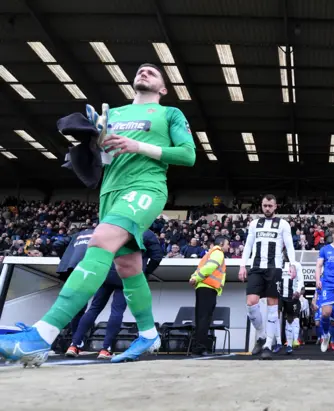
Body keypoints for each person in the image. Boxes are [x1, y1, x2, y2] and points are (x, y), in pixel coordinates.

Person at [0, 63, 197, 367]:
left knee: (100, 243)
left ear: (163, 88)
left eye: (152, 72)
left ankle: (42, 335)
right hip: (110, 192)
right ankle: (148, 334)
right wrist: (94, 143)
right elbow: (105, 157)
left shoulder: (170, 114)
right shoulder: (113, 114)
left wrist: (136, 145)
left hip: (146, 187)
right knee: (128, 266)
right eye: (140, 71)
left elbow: (188, 155)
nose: (144, 73)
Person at [66, 229, 163, 359]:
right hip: (129, 276)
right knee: (117, 311)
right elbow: (157, 256)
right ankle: (105, 349)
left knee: (94, 309)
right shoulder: (147, 233)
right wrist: (145, 272)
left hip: (108, 272)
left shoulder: (119, 227)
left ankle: (74, 344)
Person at [239, 194, 297, 360]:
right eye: (265, 206)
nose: (267, 209)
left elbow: (289, 245)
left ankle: (268, 345)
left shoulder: (283, 224)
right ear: (262, 206)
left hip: (274, 268)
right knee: (251, 303)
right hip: (256, 267)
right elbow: (248, 244)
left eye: (270, 206)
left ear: (275, 206)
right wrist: (243, 265)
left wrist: (292, 263)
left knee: (273, 306)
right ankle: (262, 335)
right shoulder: (255, 223)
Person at [189, 236, 229, 356]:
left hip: (204, 288)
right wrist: (196, 278)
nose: (229, 246)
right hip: (208, 288)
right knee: (204, 319)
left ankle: (197, 348)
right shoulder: (218, 252)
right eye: (227, 244)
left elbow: (201, 268)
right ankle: (200, 348)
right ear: (221, 244)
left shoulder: (210, 253)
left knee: (201, 318)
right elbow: (210, 267)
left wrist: (195, 277)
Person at [280, 250, 303, 355]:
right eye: (285, 254)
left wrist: (298, 291)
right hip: (280, 295)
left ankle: (290, 344)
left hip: (291, 296)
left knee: (290, 318)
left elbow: (300, 279)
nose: (286, 256)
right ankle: (278, 342)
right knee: (278, 317)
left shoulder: (297, 265)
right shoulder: (280, 264)